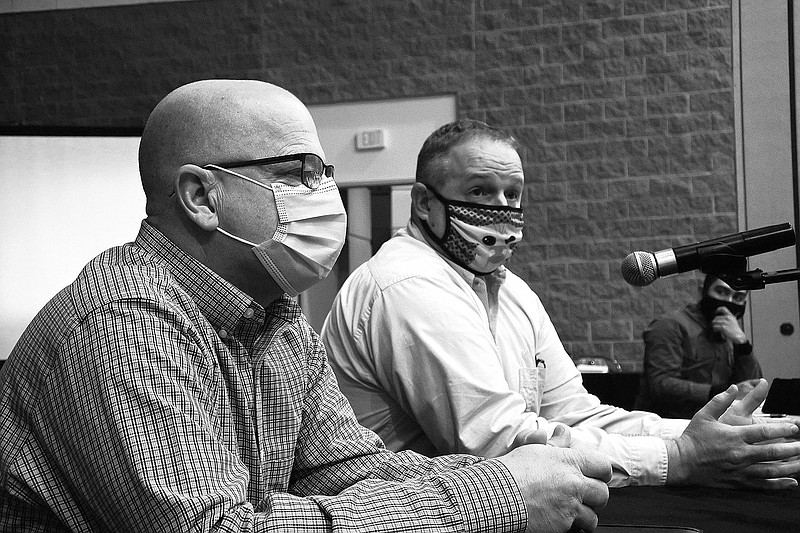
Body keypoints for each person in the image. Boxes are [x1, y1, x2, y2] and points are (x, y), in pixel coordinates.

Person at [0, 81, 614, 533]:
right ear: (200, 195)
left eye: (325, 175)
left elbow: (344, 469)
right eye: (298, 173)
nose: (325, 197)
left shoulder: (275, 314)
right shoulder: (124, 320)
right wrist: (499, 496)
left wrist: (514, 480)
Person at [321, 118, 800, 489]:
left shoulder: (510, 291)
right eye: (480, 191)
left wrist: (742, 435)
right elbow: (497, 445)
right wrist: (680, 458)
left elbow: (575, 414)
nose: (502, 207)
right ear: (425, 204)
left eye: (513, 194)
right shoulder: (408, 283)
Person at [634, 274, 763, 418]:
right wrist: (720, 393)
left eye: (738, 297)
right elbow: (661, 385)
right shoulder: (669, 325)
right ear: (703, 291)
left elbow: (749, 388)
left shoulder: (728, 331)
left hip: (713, 422)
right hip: (667, 423)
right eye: (721, 292)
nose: (729, 302)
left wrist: (742, 343)